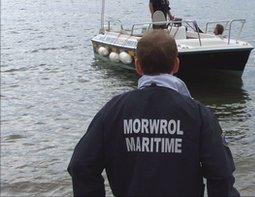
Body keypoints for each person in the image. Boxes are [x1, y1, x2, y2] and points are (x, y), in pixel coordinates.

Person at [68, 30, 239, 196]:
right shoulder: (199, 114)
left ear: (137, 66)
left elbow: (81, 165)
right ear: (176, 65)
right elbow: (221, 174)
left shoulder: (113, 111)